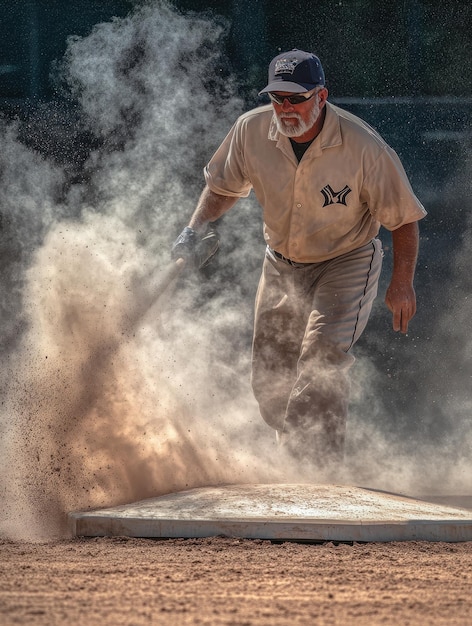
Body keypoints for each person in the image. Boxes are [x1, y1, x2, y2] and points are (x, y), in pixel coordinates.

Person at [171, 49, 426, 471]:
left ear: (321, 95)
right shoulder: (250, 130)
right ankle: (294, 456)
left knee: (322, 359)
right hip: (281, 263)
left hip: (346, 261)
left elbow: (404, 219)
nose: (285, 107)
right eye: (277, 97)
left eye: (296, 97)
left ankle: (314, 476)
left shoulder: (364, 147)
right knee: (270, 383)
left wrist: (402, 283)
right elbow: (222, 188)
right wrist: (192, 229)